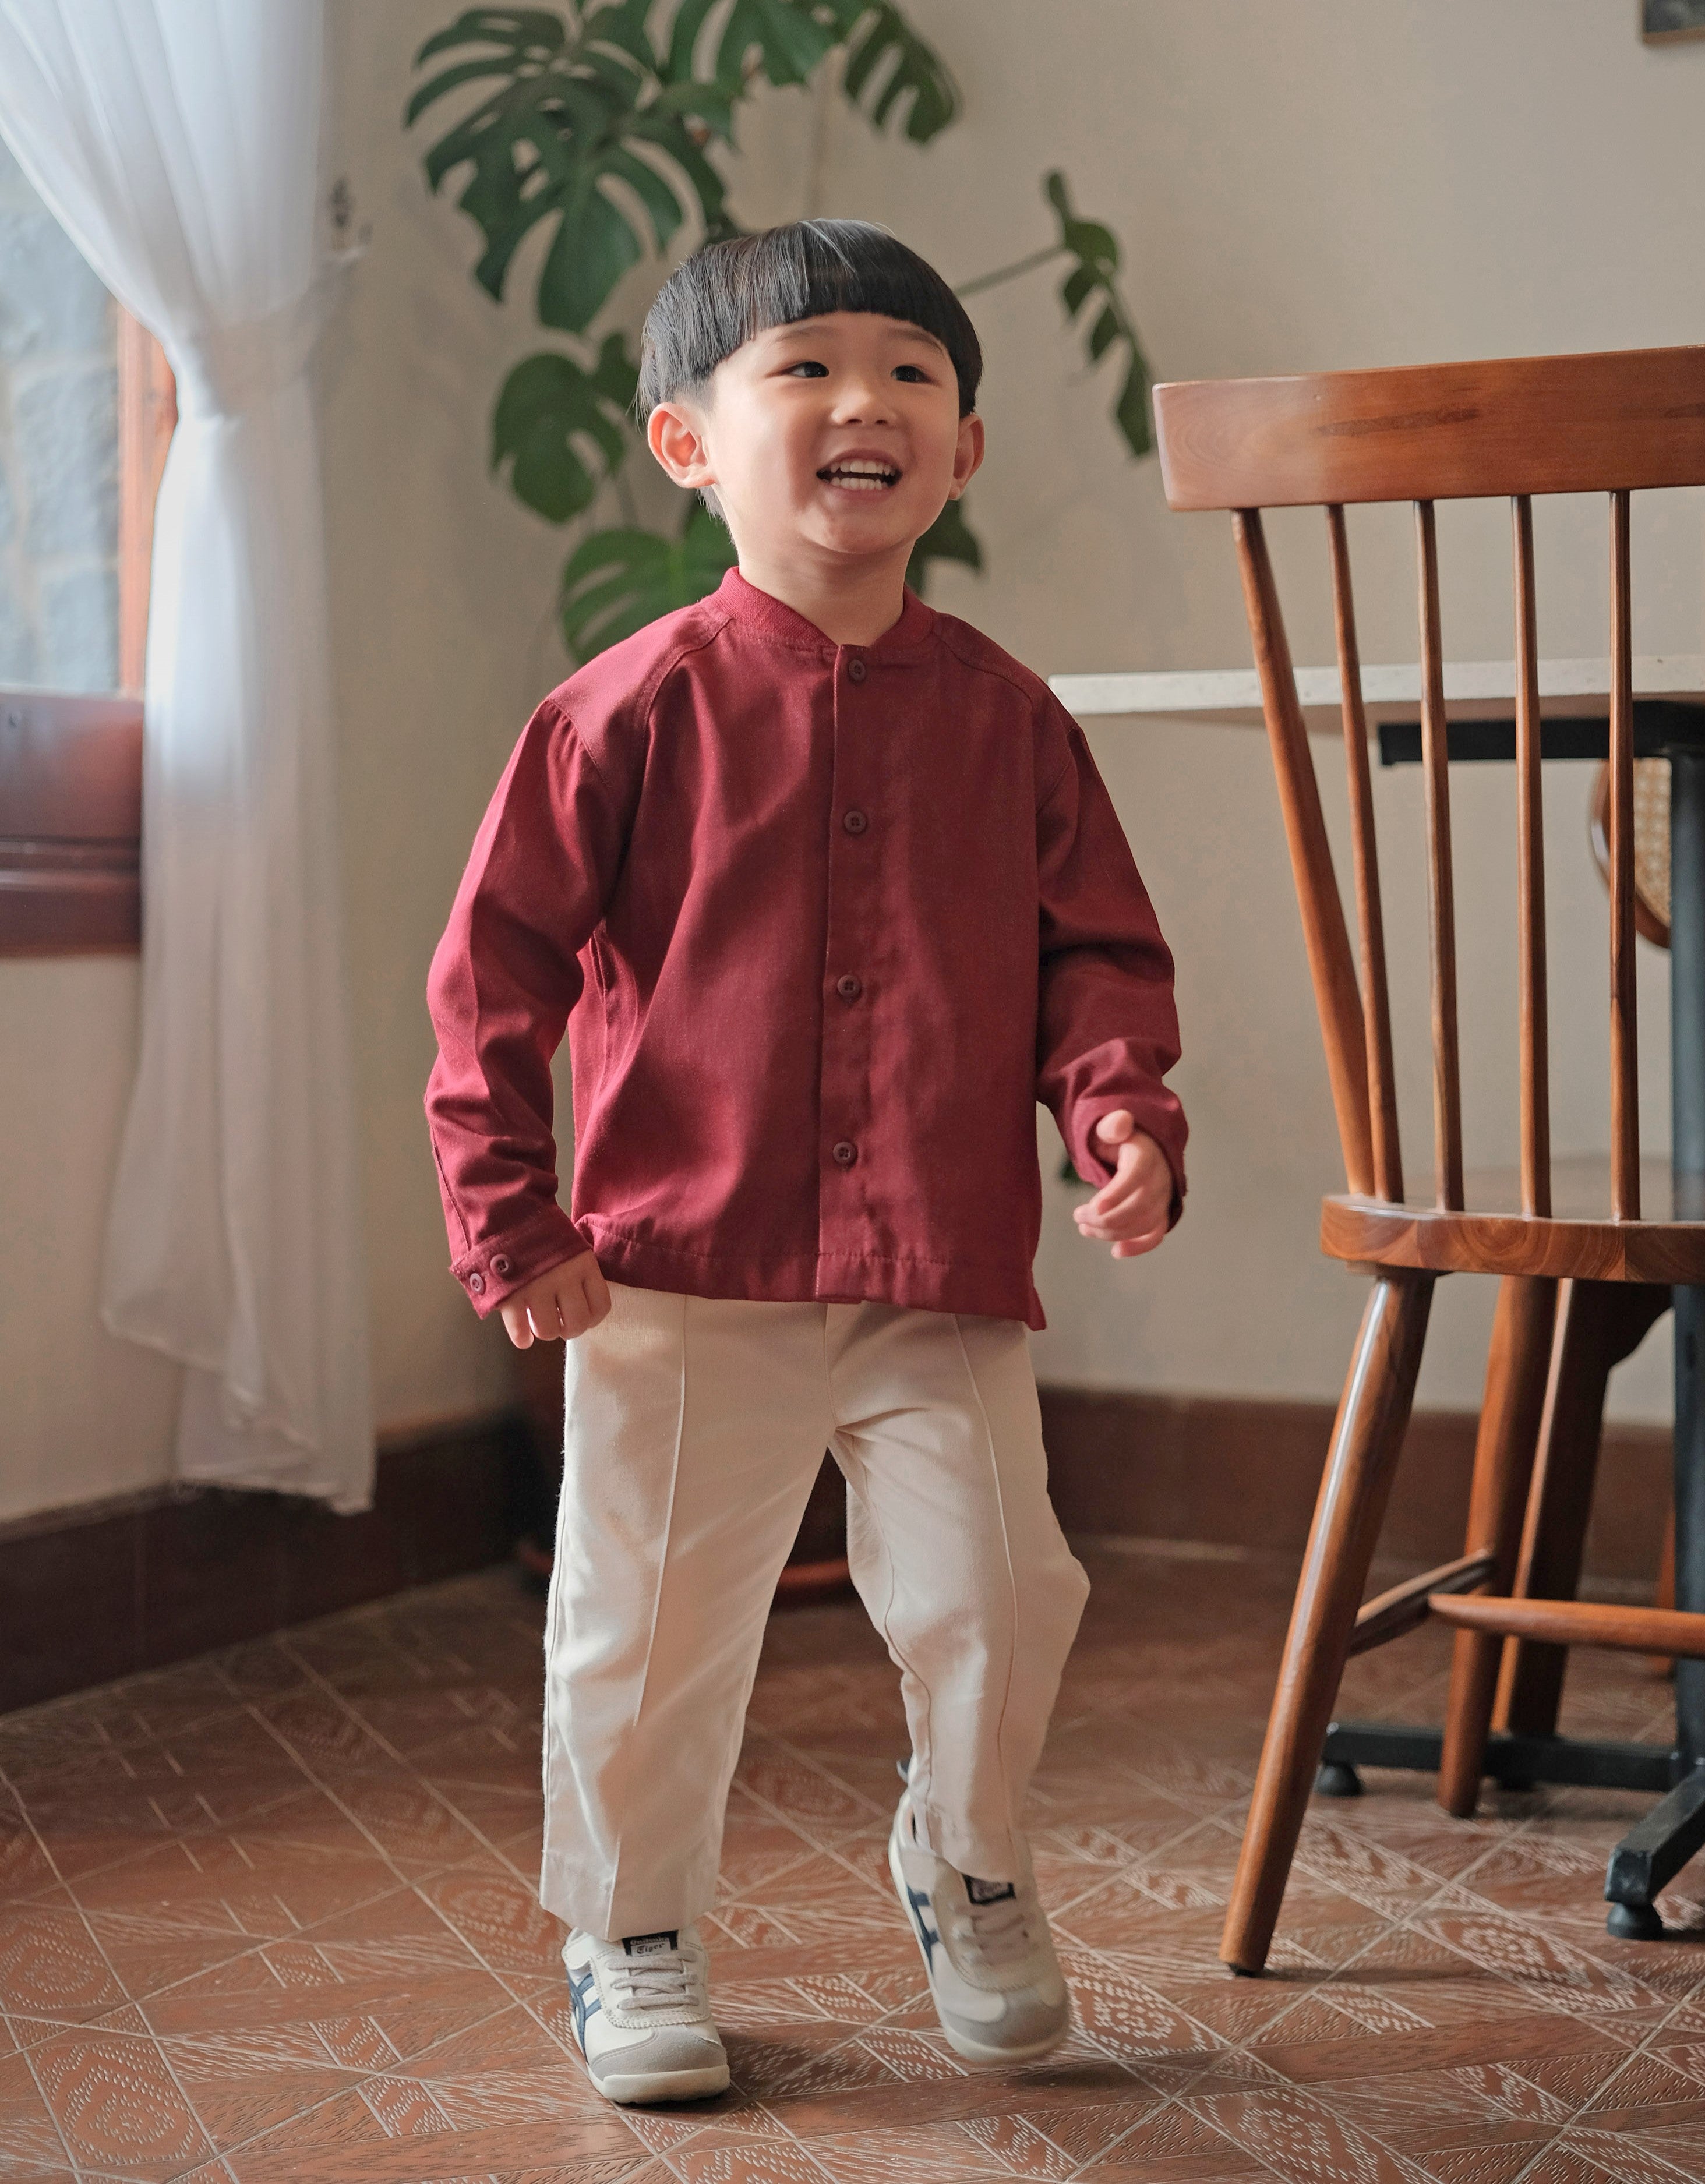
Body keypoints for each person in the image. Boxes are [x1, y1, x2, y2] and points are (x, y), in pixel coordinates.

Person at [425, 220, 1187, 2107]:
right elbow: (492, 979)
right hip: (677, 1271)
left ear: (964, 448)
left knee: (1005, 1591)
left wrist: (1119, 1112)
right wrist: (510, 1217)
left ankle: (967, 1860)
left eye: (914, 374)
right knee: (652, 1629)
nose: (869, 401)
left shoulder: (1011, 720)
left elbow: (1096, 952)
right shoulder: (621, 712)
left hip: (937, 1262)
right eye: (810, 368)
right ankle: (632, 1933)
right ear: (689, 443)